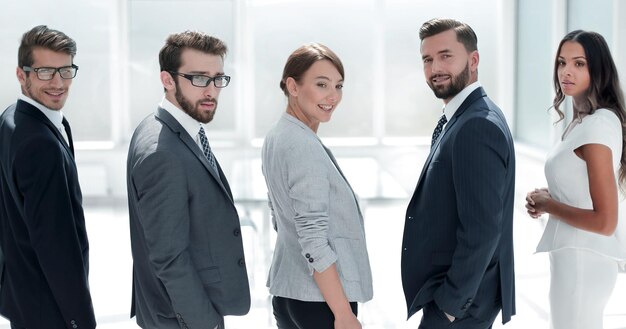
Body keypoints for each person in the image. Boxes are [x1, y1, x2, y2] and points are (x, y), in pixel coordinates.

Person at [126, 31, 250, 329]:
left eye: (218, 78)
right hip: (183, 319)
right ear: (168, 80)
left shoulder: (163, 126)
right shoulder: (162, 153)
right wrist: (206, 323)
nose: (211, 90)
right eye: (199, 78)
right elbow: (169, 258)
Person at [401, 18, 516, 328]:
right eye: (428, 59)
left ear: (473, 60)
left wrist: (448, 308)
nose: (435, 66)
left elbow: (482, 231)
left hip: (461, 307)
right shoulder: (465, 115)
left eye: (446, 56)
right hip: (460, 300)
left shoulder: (476, 125)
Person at [261, 43, 373, 329]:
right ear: (293, 86)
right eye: (321, 84)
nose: (332, 96)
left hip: (289, 293)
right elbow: (312, 234)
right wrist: (343, 314)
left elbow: (280, 219)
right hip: (321, 303)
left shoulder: (277, 135)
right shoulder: (302, 145)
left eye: (338, 86)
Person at [525, 30, 626, 329]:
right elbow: (582, 187)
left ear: (598, 69)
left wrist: (551, 205)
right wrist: (550, 198)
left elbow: (605, 221)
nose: (566, 71)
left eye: (579, 63)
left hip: (584, 261)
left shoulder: (597, 127)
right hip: (575, 259)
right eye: (561, 62)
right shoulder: (582, 122)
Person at [0, 25, 96, 329]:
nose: (58, 83)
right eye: (44, 72)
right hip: (49, 310)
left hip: (23, 299)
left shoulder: (10, 119)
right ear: (21, 74)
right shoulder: (40, 144)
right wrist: (81, 320)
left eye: (65, 71)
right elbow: (57, 246)